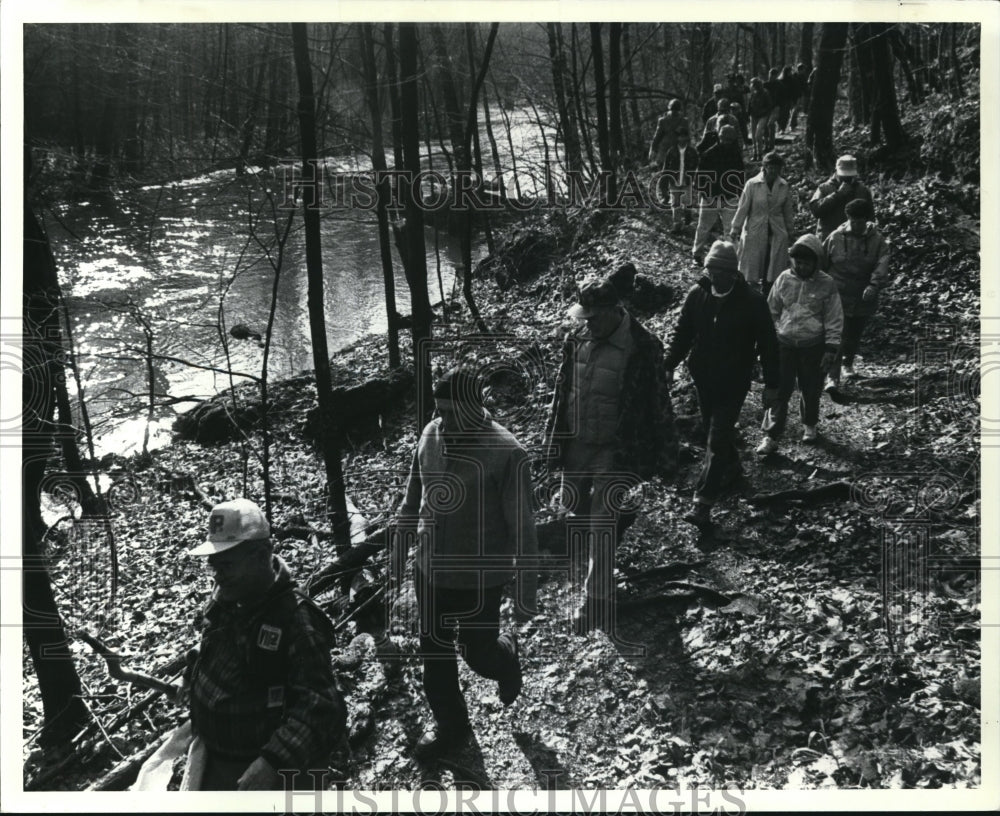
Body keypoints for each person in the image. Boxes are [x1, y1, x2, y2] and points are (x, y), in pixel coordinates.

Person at [393, 367, 538, 759]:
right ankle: (451, 726)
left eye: (454, 412)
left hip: (480, 576)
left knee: (478, 654)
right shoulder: (430, 435)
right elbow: (413, 497)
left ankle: (505, 656)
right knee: (435, 654)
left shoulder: (507, 452)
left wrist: (526, 590)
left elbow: (523, 527)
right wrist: (400, 545)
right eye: (440, 411)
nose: (445, 420)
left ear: (477, 408)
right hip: (430, 568)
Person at [546, 277, 678, 629]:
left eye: (592, 316)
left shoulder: (643, 345)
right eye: (583, 317)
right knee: (573, 508)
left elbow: (659, 401)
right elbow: (562, 392)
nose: (586, 323)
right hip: (576, 442)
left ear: (613, 310)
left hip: (614, 448)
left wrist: (668, 453)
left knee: (602, 521)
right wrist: (553, 442)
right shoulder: (575, 339)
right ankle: (613, 529)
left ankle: (595, 600)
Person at [185, 499, 345, 790]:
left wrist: (273, 762)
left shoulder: (295, 620)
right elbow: (213, 643)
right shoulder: (227, 595)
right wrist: (194, 674)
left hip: (260, 772)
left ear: (260, 556)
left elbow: (322, 706)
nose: (218, 575)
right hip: (214, 758)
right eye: (214, 566)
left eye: (228, 564)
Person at [664, 240, 780, 528]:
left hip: (733, 380)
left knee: (716, 437)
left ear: (732, 273)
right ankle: (734, 469)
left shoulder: (753, 301)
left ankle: (702, 504)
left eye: (717, 272)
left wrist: (772, 385)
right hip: (703, 377)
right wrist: (667, 365)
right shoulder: (697, 295)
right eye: (709, 270)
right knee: (715, 432)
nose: (711, 277)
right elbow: (682, 334)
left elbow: (768, 345)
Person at [756, 234, 844, 454]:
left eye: (807, 262)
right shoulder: (784, 279)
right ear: (792, 261)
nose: (802, 266)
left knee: (811, 387)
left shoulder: (827, 284)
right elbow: (771, 311)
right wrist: (766, 341)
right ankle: (771, 434)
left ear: (816, 263)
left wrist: (831, 347)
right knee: (779, 389)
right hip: (784, 343)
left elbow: (834, 318)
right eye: (798, 262)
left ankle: (810, 423)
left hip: (813, 346)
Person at [822, 197, 891, 390]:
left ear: (866, 220)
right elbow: (823, 262)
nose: (856, 225)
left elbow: (882, 263)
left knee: (854, 333)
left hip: (863, 293)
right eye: (853, 220)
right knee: (838, 334)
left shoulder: (877, 240)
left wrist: (874, 285)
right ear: (847, 218)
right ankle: (832, 377)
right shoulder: (836, 236)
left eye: (860, 221)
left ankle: (847, 362)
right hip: (838, 292)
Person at [730, 151, 797, 296]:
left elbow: (787, 211)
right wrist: (736, 228)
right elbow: (743, 207)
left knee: (772, 268)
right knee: (752, 268)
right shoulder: (752, 184)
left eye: (776, 168)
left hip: (776, 230)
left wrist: (790, 231)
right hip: (755, 229)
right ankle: (748, 295)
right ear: (764, 167)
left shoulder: (783, 186)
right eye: (770, 167)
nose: (773, 171)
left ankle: (769, 296)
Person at [692, 125, 745, 265]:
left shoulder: (735, 154)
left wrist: (739, 194)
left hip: (730, 198)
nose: (727, 142)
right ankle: (697, 254)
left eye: (730, 140)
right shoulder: (708, 154)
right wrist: (705, 194)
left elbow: (740, 176)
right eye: (724, 139)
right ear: (719, 137)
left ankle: (733, 257)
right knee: (704, 227)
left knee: (731, 229)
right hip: (711, 197)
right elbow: (699, 179)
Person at [808, 154, 874, 240]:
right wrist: (838, 194)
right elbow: (816, 210)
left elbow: (870, 218)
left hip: (855, 241)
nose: (847, 178)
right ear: (837, 171)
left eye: (849, 176)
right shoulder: (824, 188)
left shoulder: (862, 190)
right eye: (844, 175)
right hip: (829, 239)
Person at [660, 126, 700, 233]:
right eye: (680, 136)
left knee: (687, 202)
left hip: (687, 180)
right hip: (674, 180)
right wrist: (663, 183)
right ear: (677, 138)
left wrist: (695, 177)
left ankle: (687, 220)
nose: (682, 139)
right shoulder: (671, 151)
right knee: (675, 203)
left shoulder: (692, 151)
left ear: (687, 138)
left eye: (684, 136)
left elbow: (697, 165)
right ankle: (677, 224)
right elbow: (666, 167)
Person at [648, 98, 690, 169]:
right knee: (664, 173)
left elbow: (688, 138)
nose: (674, 112)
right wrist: (652, 150)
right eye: (673, 110)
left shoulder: (684, 121)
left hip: (678, 151)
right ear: (669, 109)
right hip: (664, 151)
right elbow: (657, 137)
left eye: (676, 110)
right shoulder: (663, 121)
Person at [746, 77, 773, 161]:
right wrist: (748, 115)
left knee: (758, 135)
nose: (752, 86)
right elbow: (749, 105)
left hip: (763, 116)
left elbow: (769, 106)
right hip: (753, 116)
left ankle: (760, 153)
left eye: (754, 84)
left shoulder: (765, 93)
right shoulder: (753, 94)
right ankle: (755, 154)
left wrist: (765, 114)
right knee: (753, 137)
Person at [763, 68, 784, 149]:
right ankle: (766, 144)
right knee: (765, 126)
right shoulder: (765, 85)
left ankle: (771, 145)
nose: (771, 76)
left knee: (771, 124)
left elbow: (783, 97)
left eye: (773, 75)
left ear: (776, 76)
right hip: (766, 108)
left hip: (775, 107)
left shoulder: (780, 85)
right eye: (770, 74)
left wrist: (780, 106)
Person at [789, 63, 811, 130]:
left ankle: (794, 124)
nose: (804, 70)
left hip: (795, 95)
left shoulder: (795, 75)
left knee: (794, 110)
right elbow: (804, 86)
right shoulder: (798, 76)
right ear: (801, 69)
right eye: (803, 69)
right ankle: (792, 125)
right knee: (795, 110)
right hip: (796, 95)